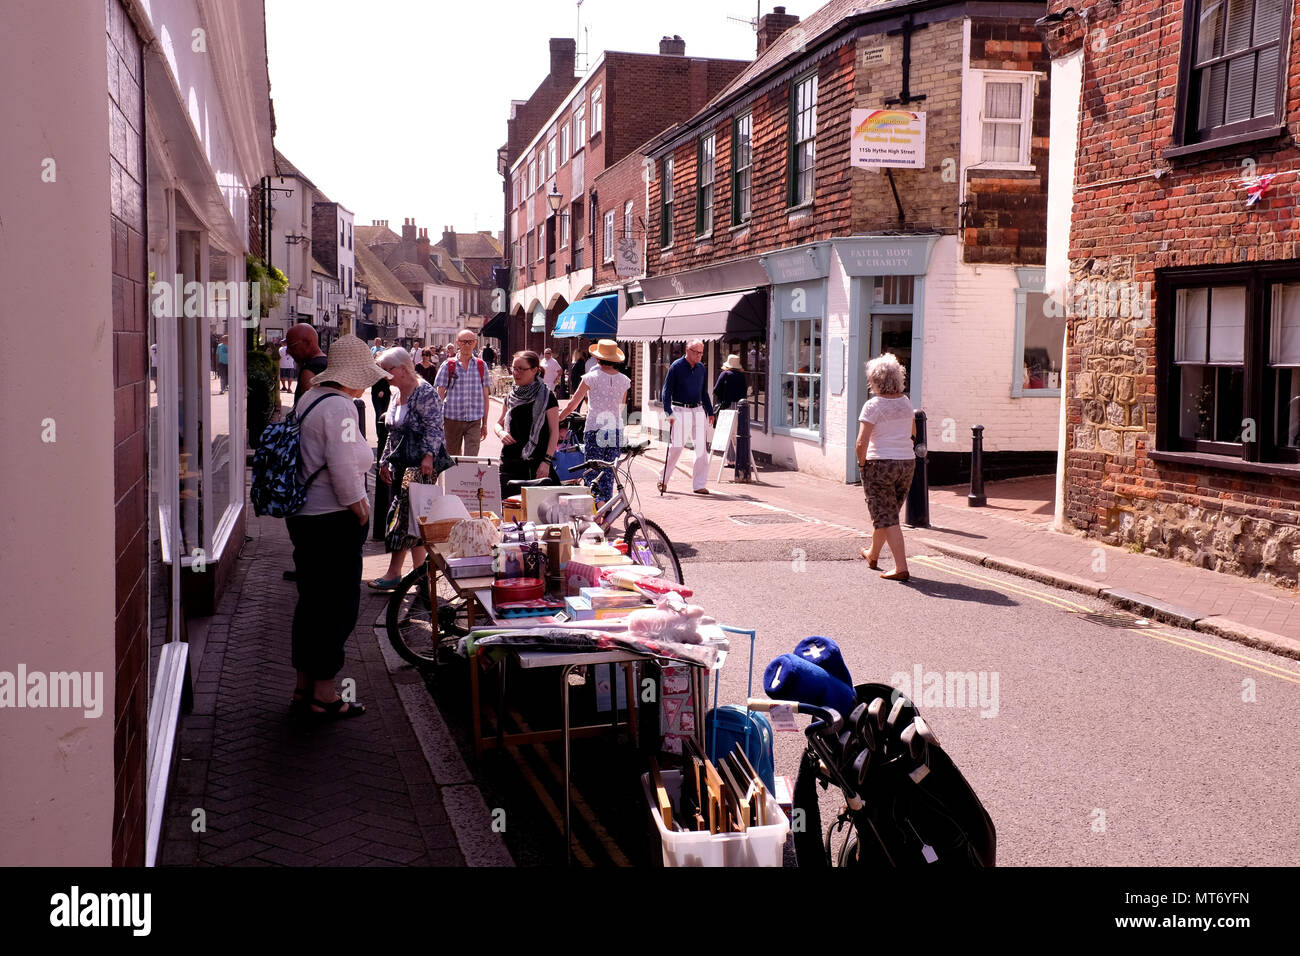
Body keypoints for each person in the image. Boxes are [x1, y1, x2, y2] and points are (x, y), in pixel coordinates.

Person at [286, 334, 390, 719]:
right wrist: (361, 510)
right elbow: (345, 468)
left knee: (311, 603)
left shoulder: (312, 398)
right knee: (336, 606)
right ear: (352, 374)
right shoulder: (341, 408)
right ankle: (325, 695)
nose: (368, 382)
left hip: (305, 518)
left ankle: (304, 688)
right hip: (332, 521)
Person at [369, 347, 447, 591]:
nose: (384, 375)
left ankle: (397, 574)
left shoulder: (425, 392)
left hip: (420, 464)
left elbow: (435, 427)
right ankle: (421, 575)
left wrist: (428, 456)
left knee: (402, 518)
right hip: (401, 462)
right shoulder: (396, 393)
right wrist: (384, 461)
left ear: (403, 368)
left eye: (387, 370)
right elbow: (392, 433)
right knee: (413, 521)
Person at [856, 353, 916, 582]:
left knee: (888, 517)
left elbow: (862, 442)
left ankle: (901, 567)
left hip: (880, 464)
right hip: (906, 463)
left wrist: (862, 464)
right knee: (888, 512)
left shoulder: (873, 406)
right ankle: (873, 553)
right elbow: (913, 432)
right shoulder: (906, 402)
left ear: (875, 380)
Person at [559, 340, 630, 503]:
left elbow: (573, 404)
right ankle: (606, 512)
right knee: (608, 473)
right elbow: (621, 407)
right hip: (615, 430)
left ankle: (595, 510)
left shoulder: (590, 378)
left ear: (598, 359)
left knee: (592, 472)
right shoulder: (624, 380)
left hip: (594, 429)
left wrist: (559, 418)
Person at [494, 350, 559, 500]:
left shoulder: (547, 396)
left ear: (535, 370)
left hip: (535, 464)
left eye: (521, 369)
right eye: (514, 368)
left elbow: (554, 431)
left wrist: (546, 462)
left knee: (535, 513)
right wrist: (501, 433)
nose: (516, 373)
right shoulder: (511, 395)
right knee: (509, 511)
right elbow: (498, 423)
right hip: (509, 462)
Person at [659, 339, 716, 495]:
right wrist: (668, 412)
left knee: (701, 449)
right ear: (687, 350)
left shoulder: (701, 368)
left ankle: (699, 484)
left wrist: (710, 411)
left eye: (701, 353)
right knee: (677, 447)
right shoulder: (676, 367)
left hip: (698, 410)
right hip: (680, 409)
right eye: (696, 352)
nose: (698, 356)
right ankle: (663, 479)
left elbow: (704, 392)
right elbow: (666, 391)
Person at [435, 328, 490, 456]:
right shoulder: (448, 365)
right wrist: (437, 420)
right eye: (464, 342)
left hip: (474, 420)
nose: (467, 345)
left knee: (471, 459)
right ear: (457, 343)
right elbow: (440, 395)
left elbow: (485, 397)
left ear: (475, 343)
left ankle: (468, 477)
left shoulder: (481, 366)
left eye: (470, 342)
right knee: (452, 458)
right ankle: (452, 477)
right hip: (452, 419)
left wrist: (485, 423)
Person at [286, 323, 328, 406]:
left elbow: (309, 408)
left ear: (307, 342)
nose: (288, 351)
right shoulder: (327, 363)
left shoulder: (310, 370)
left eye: (291, 346)